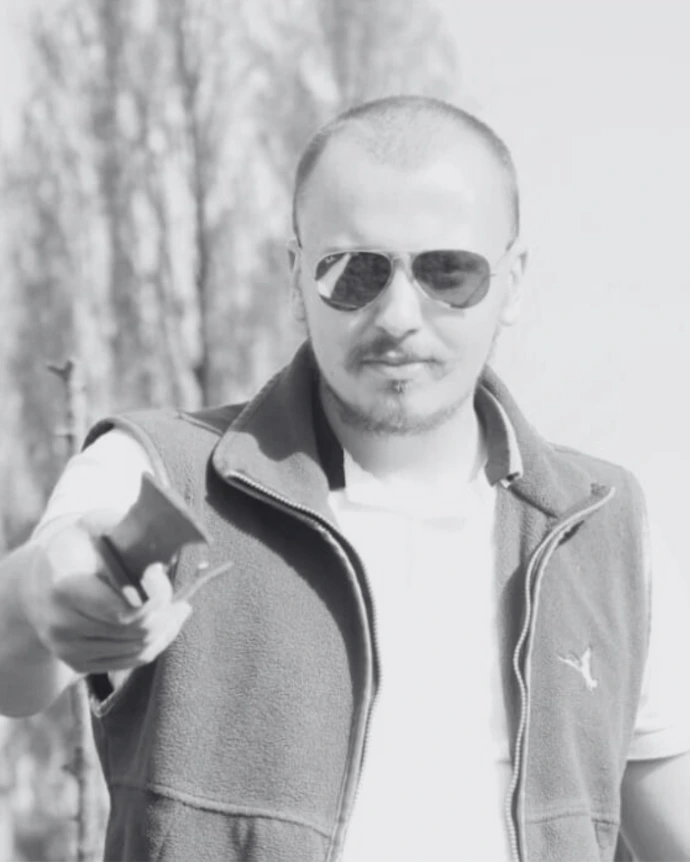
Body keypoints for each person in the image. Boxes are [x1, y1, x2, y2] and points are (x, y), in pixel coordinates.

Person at [1, 95, 689, 862]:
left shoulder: (605, 529)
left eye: (448, 272)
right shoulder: (161, 471)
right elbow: (20, 644)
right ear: (297, 277)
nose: (399, 314)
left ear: (514, 280)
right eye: (355, 272)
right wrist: (45, 591)